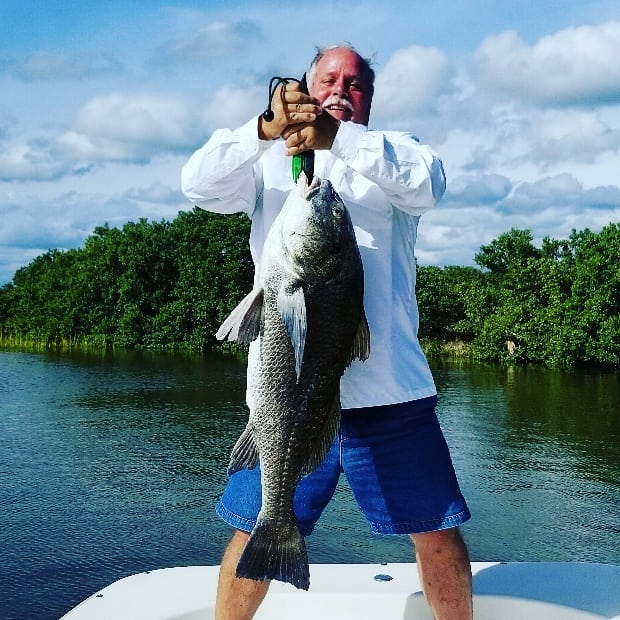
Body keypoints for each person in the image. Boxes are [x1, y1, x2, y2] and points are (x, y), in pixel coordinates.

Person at [181, 44, 473, 620]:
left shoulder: (393, 158)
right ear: (305, 88)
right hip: (283, 395)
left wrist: (337, 140)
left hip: (390, 394)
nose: (342, 89)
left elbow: (429, 184)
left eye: (356, 83)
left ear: (369, 98)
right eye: (329, 79)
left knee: (435, 532)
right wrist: (265, 128)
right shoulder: (266, 163)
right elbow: (198, 184)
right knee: (251, 526)